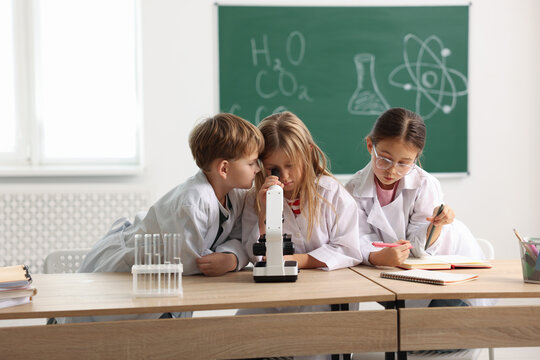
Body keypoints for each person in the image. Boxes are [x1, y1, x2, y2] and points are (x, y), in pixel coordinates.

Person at [58, 113, 264, 324]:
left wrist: (233, 258)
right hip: (128, 269)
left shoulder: (236, 195)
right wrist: (229, 259)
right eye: (251, 163)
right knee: (96, 330)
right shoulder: (194, 199)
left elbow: (242, 240)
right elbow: (194, 264)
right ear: (224, 168)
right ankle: (57, 323)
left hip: (164, 280)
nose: (257, 169)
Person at [239, 111, 362, 360]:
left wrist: (297, 260)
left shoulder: (331, 195)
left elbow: (348, 249)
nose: (284, 177)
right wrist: (264, 213)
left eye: (290, 166)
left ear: (307, 154)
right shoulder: (256, 198)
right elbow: (255, 256)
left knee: (307, 347)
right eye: (274, 168)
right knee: (238, 340)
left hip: (322, 302)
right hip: (273, 300)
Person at [344, 107, 490, 308]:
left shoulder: (425, 184)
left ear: (416, 159)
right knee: (402, 317)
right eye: (384, 159)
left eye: (404, 163)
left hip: (447, 266)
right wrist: (377, 256)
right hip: (394, 272)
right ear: (370, 146)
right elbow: (357, 238)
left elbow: (420, 247)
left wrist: (435, 227)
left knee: (444, 320)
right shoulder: (353, 189)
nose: (392, 170)